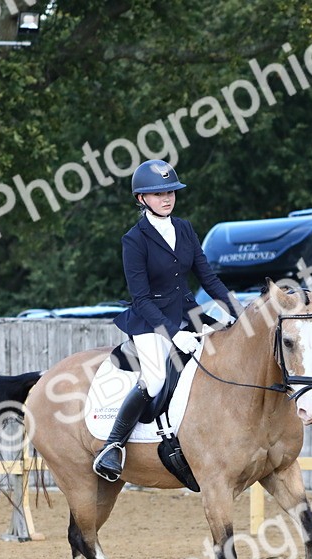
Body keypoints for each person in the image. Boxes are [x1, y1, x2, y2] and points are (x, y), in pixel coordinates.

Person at [92, 159, 242, 481]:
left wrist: (238, 312)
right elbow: (142, 299)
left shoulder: (185, 228)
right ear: (141, 199)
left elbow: (208, 278)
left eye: (171, 191)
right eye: (158, 193)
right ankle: (114, 445)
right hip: (151, 322)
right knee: (157, 378)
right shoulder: (134, 240)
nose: (167, 198)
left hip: (188, 312)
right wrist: (173, 334)